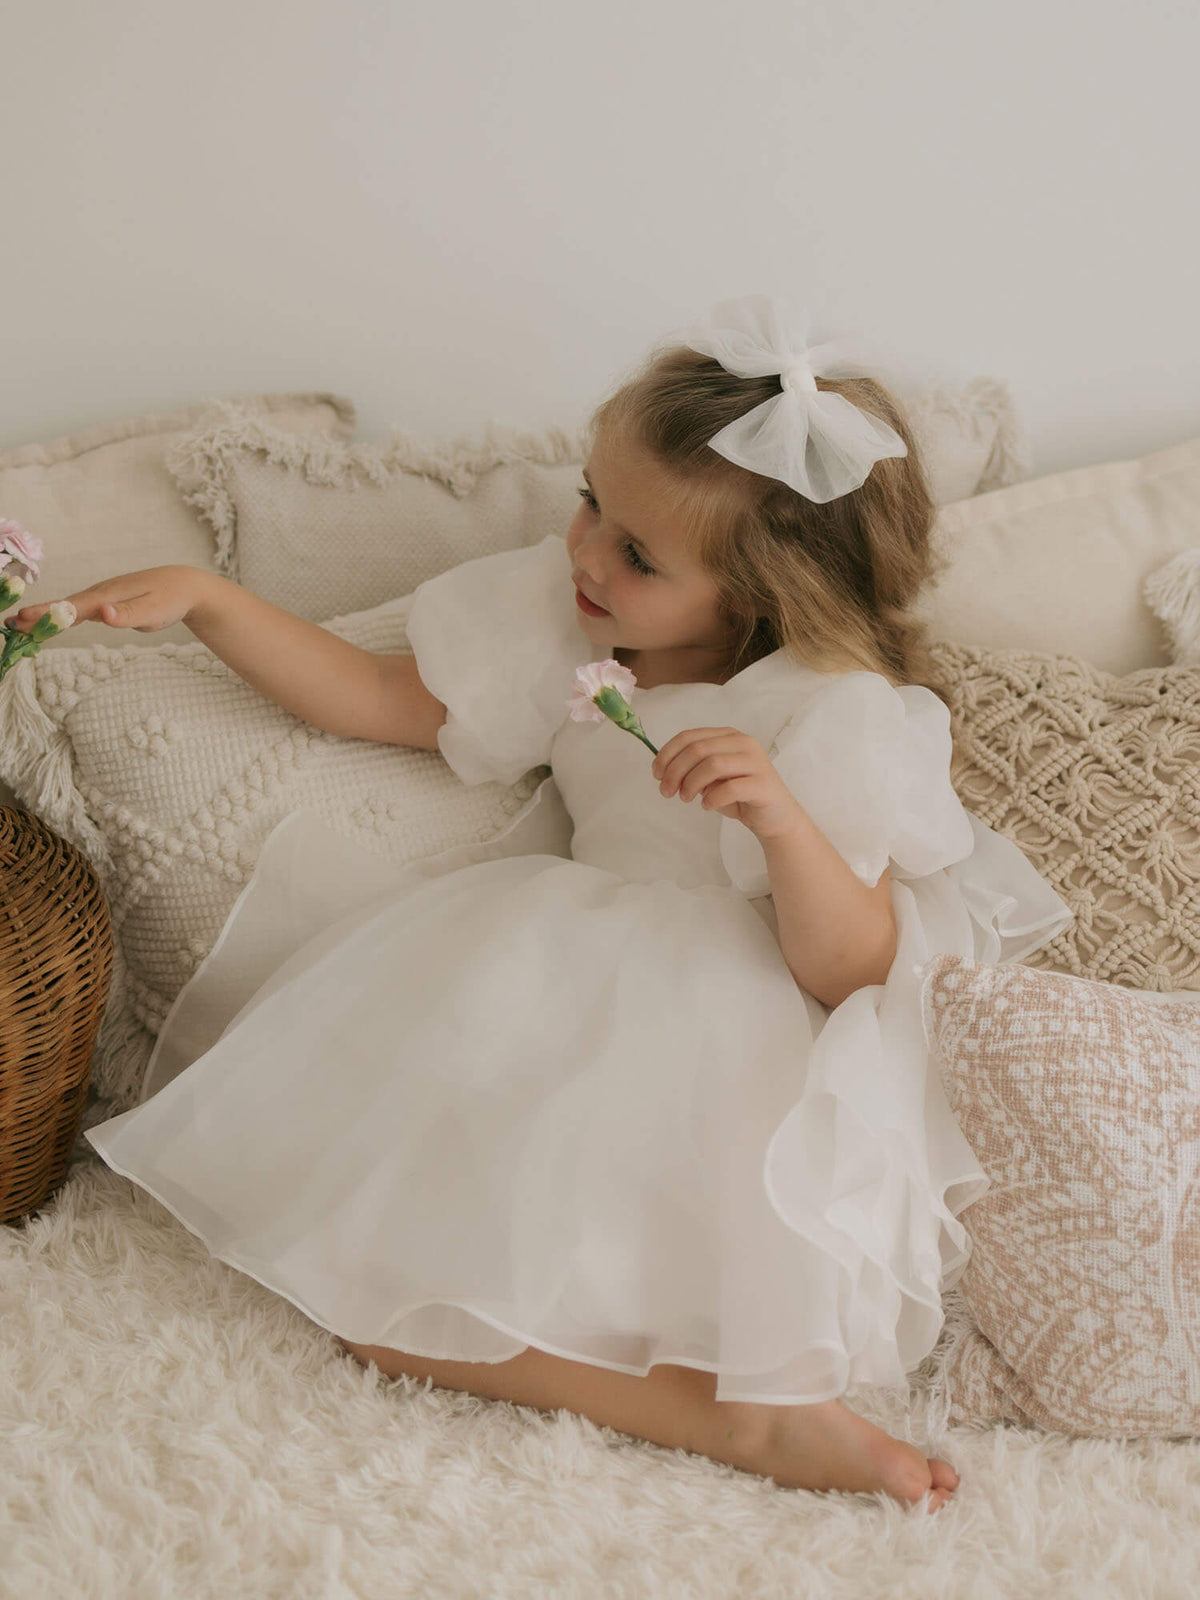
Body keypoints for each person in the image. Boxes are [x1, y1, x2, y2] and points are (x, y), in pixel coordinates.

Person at [6, 294, 1072, 1513]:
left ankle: (772, 1414)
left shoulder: (828, 710)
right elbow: (383, 699)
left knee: (640, 1278)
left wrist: (781, 822)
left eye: (636, 554)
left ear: (757, 593)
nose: (584, 555)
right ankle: (733, 1413)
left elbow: (857, 967)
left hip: (742, 1037)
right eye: (588, 505)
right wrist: (212, 600)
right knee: (379, 1308)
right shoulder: (564, 625)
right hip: (552, 988)